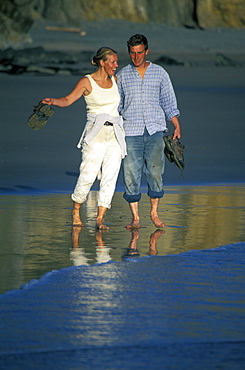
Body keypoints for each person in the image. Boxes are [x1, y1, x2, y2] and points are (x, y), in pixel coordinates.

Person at [42, 47, 126, 229]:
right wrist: (53, 101)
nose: (116, 65)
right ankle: (76, 210)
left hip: (115, 134)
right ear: (102, 63)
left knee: (110, 177)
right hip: (95, 133)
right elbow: (68, 99)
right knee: (88, 174)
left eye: (116, 62)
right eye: (112, 62)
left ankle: (100, 218)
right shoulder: (87, 81)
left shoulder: (116, 80)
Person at [117, 34, 181, 229]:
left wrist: (176, 124)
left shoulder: (160, 73)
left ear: (146, 51)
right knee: (130, 173)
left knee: (155, 172)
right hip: (130, 130)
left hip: (155, 130)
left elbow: (168, 102)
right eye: (132, 53)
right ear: (129, 52)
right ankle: (135, 217)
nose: (136, 57)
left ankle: (154, 213)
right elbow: (117, 105)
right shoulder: (121, 75)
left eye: (139, 53)